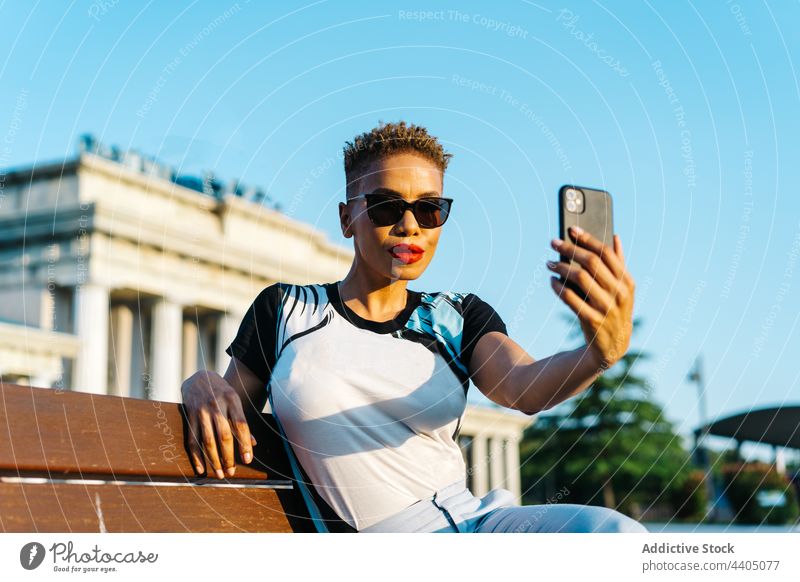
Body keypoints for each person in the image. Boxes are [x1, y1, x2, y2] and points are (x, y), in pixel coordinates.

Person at [181, 120, 646, 533]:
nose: (410, 226)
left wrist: (599, 353)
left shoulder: (457, 315)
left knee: (612, 537)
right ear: (347, 218)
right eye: (385, 207)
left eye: (429, 210)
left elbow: (524, 389)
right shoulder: (285, 310)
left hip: (481, 525)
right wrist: (200, 382)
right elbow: (230, 412)